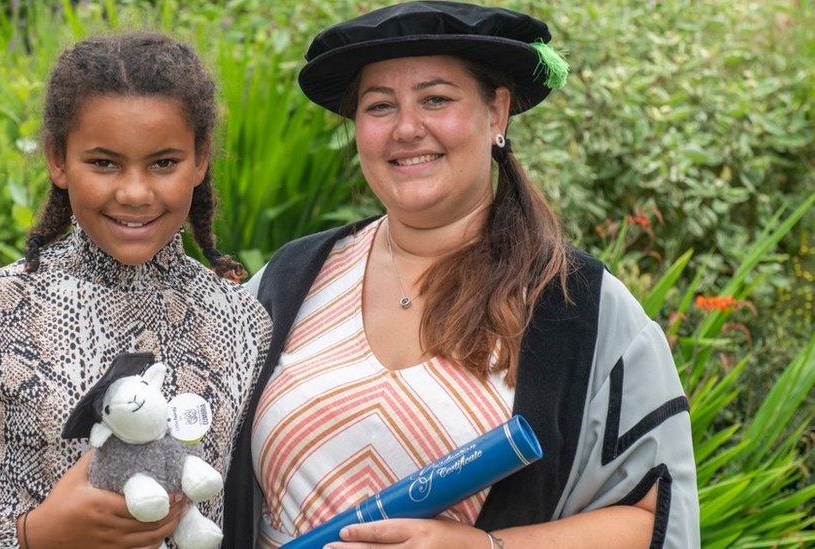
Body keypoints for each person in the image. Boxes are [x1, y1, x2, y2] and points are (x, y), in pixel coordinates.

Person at [223, 2, 699, 548]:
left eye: (436, 99)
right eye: (379, 106)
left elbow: (655, 517)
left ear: (496, 113)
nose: (406, 128)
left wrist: (488, 548)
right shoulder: (291, 281)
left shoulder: (577, 305)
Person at [0, 31, 271, 548]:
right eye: (104, 163)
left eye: (163, 163)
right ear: (58, 159)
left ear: (200, 159)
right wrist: (32, 535)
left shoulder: (242, 323)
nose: (135, 192)